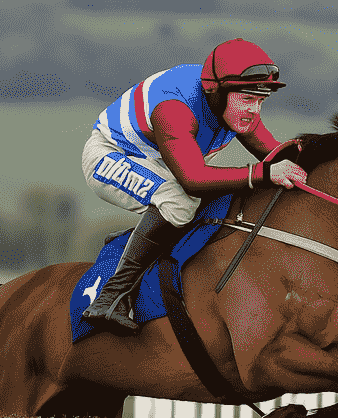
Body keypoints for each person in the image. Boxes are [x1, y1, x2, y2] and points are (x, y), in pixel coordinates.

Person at [80, 38, 308, 335]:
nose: (254, 111)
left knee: (218, 199)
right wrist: (264, 173)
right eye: (248, 100)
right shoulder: (174, 108)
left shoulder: (229, 103)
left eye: (260, 101)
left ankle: (135, 241)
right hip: (110, 154)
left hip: (165, 163)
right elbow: (193, 179)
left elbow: (276, 155)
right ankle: (110, 298)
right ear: (217, 91)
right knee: (180, 201)